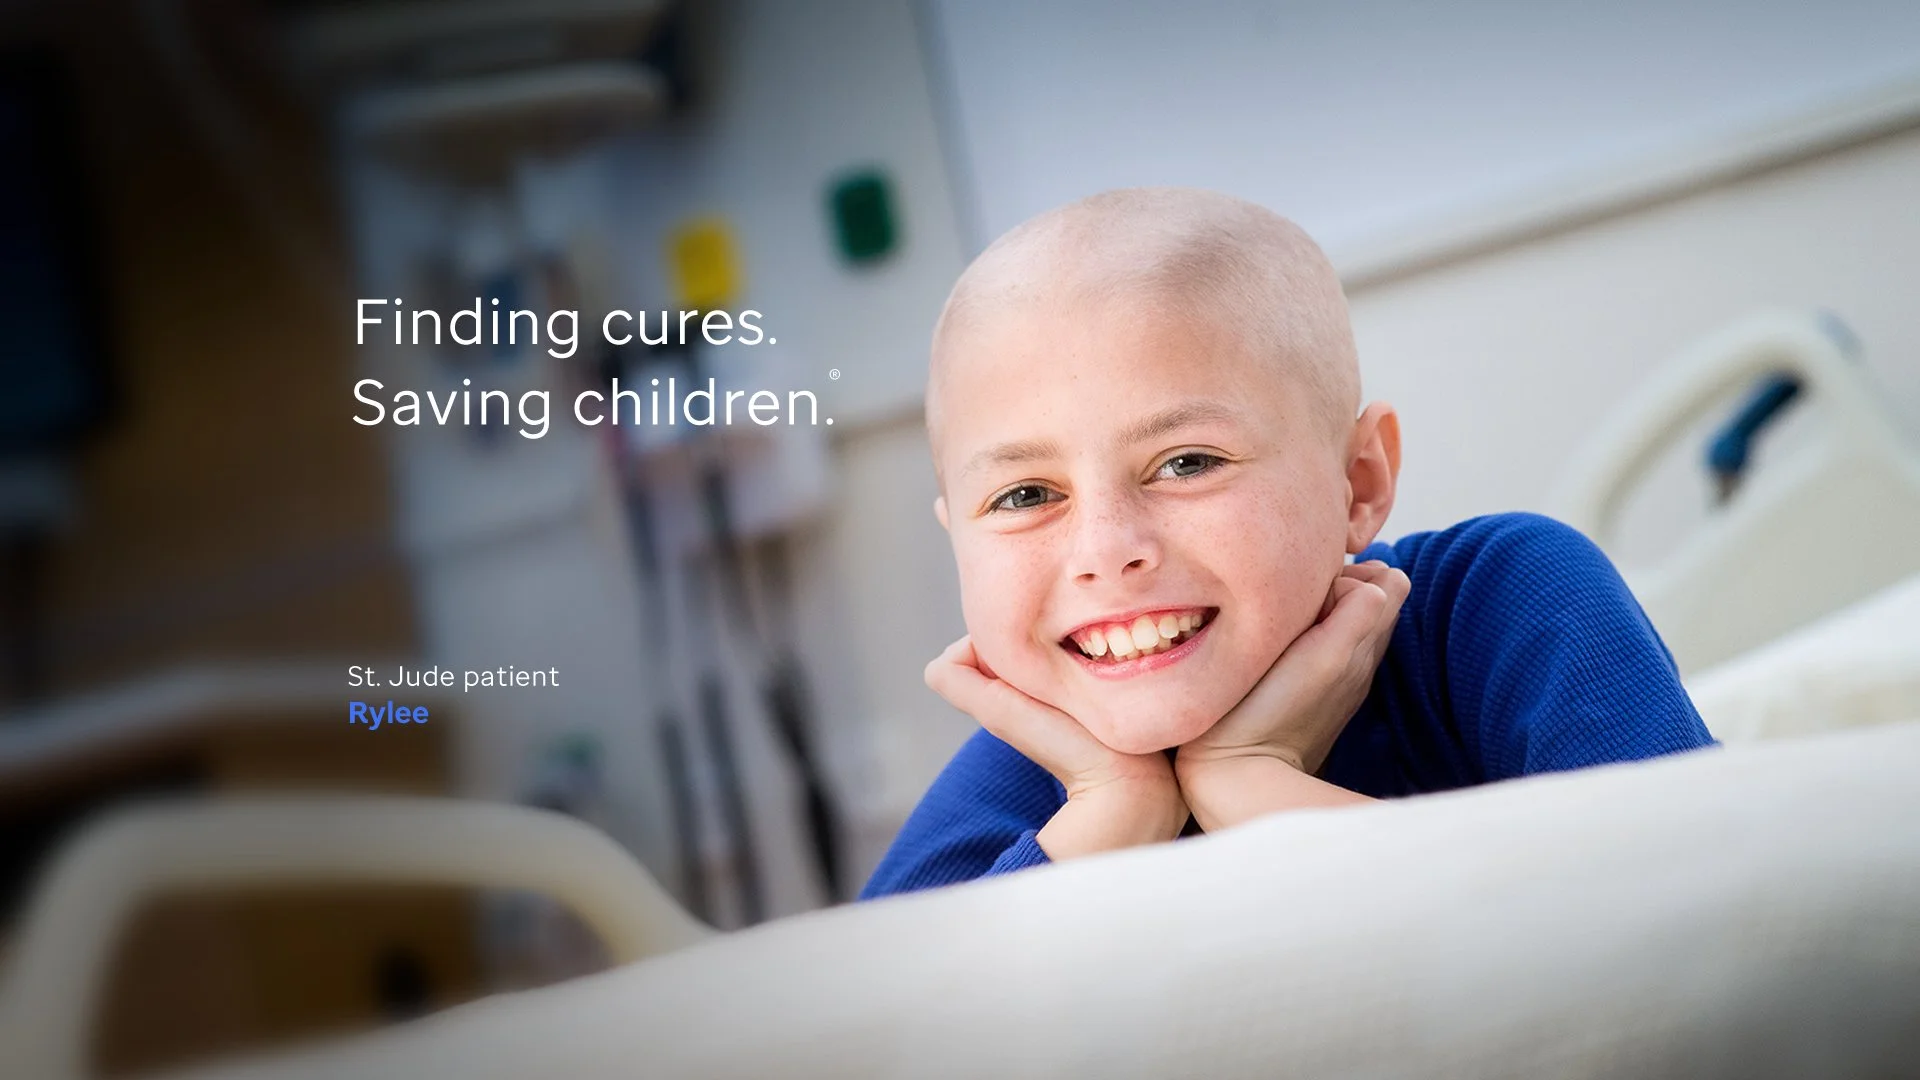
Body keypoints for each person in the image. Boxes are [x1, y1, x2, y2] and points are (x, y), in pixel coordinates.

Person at [861, 188, 1714, 900]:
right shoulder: (1025, 771)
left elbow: (1687, 900)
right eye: (1026, 495)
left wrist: (1254, 784)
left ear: (1362, 482)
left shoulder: (1501, 599)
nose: (1105, 550)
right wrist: (1110, 814)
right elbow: (856, 1032)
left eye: (1186, 462)